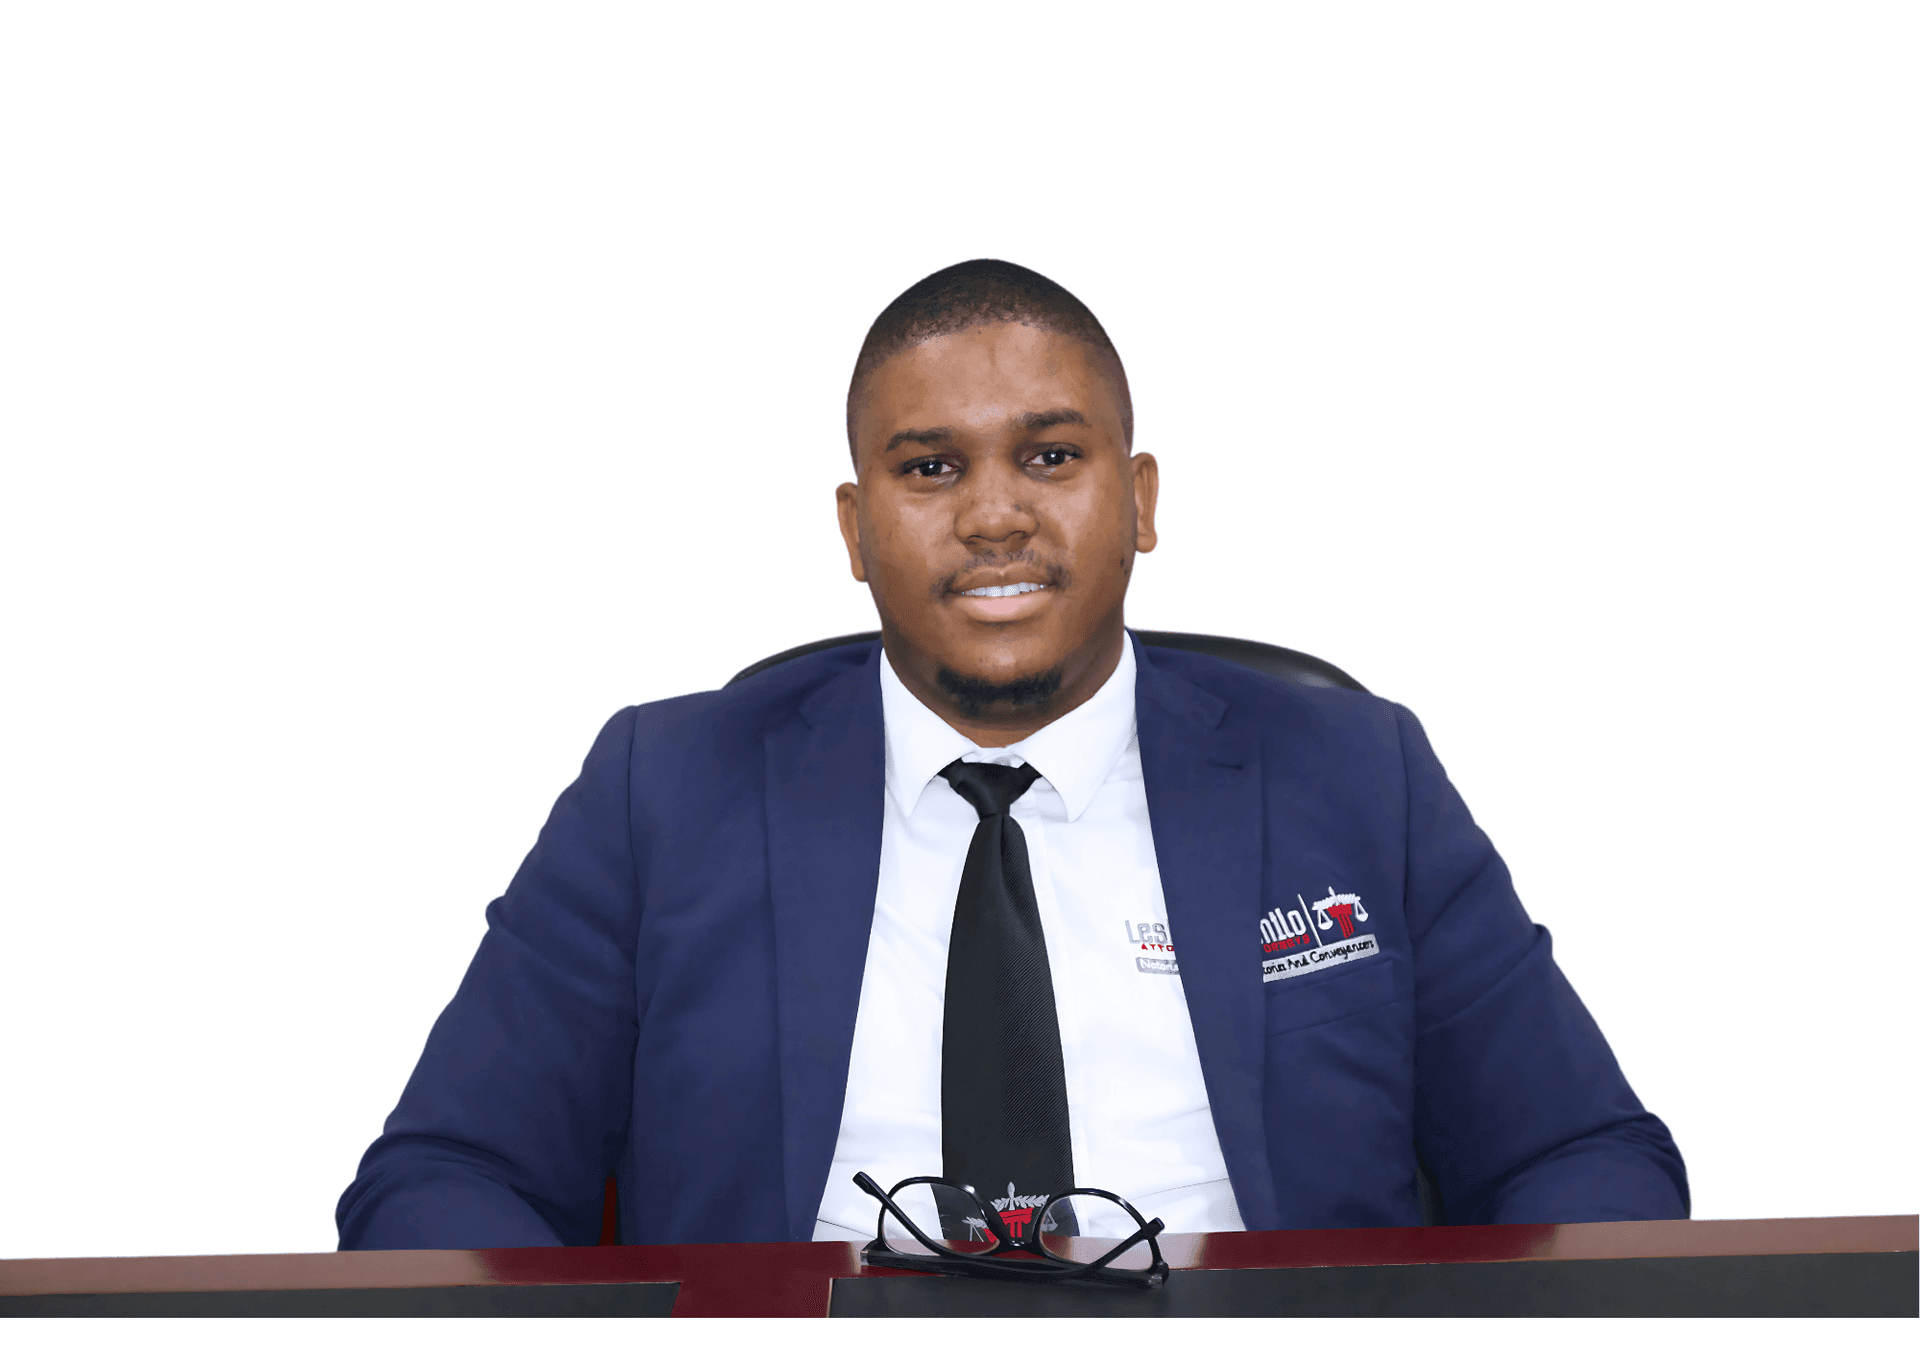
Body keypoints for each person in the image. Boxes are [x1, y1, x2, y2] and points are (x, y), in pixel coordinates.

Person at [336, 260, 1686, 1250]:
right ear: (857, 531)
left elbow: (1580, 1155)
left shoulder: (1351, 775)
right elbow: (447, 1174)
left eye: (1049, 456)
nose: (993, 517)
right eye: (929, 470)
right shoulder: (666, 790)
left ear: (1139, 501)